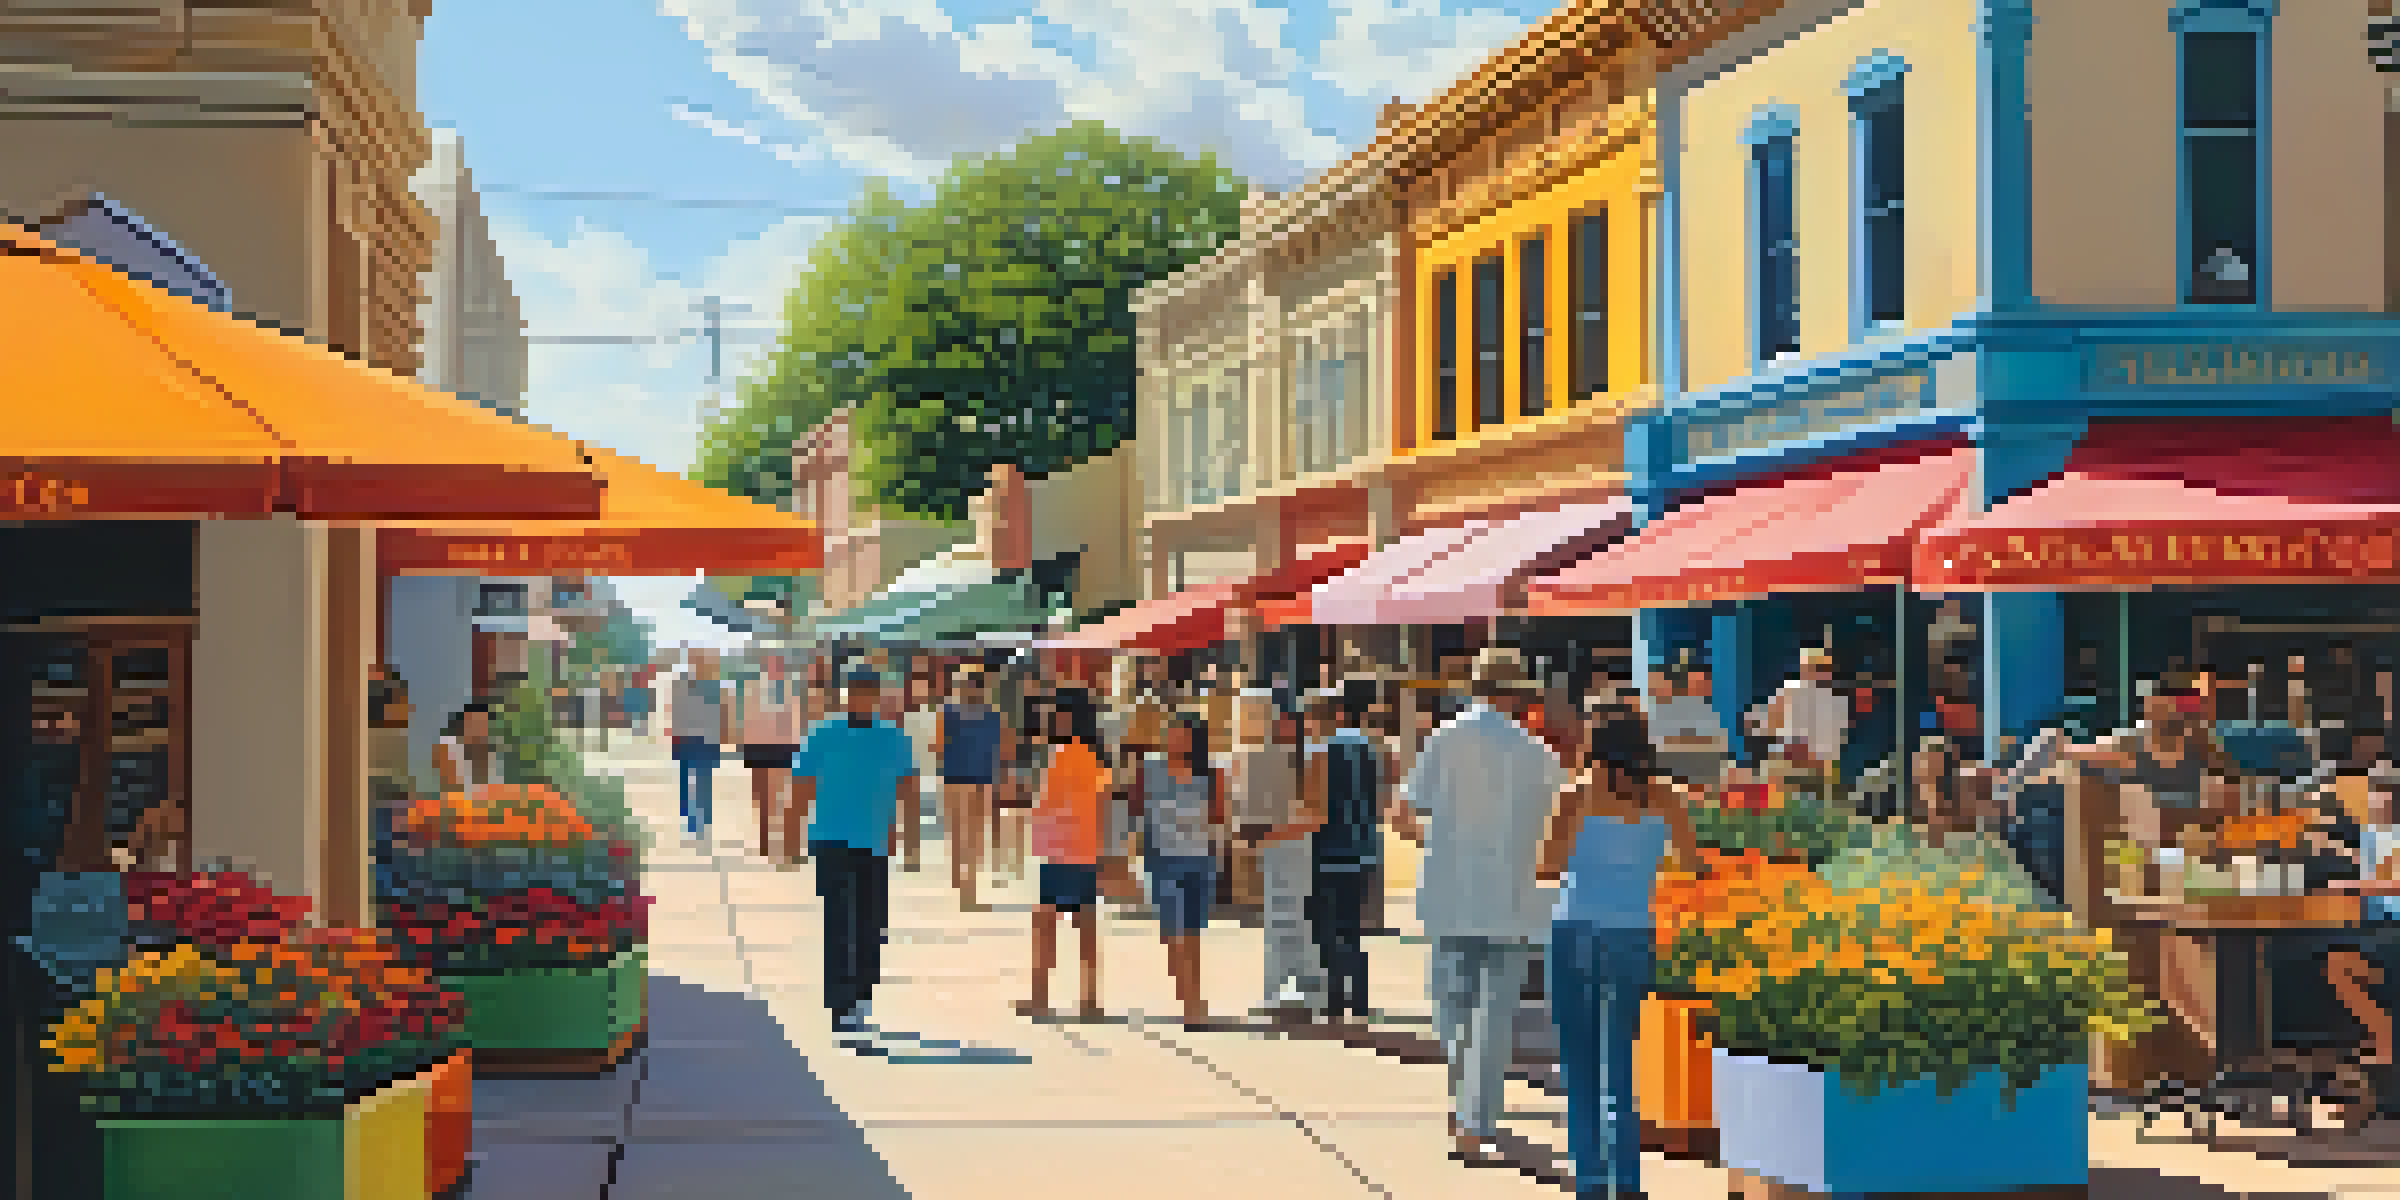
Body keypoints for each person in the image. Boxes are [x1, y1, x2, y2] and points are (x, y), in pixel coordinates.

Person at [1394, 646, 1568, 1164]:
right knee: (1496, 1012)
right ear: (1516, 692)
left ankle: (1462, 1098)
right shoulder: (1538, 752)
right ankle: (1477, 1116)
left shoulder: (1445, 739)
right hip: (1513, 896)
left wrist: (1441, 842)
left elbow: (1405, 814)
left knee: (1451, 1003)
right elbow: (1560, 824)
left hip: (1450, 890)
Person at [1538, 709, 1702, 1200]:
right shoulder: (1667, 795)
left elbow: (1547, 865)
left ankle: (1590, 1179)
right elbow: (1692, 862)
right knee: (1622, 1063)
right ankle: (1627, 1180)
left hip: (1576, 931)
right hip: (1633, 932)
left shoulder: (1578, 792)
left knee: (1579, 1063)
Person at [790, 666, 920, 1036]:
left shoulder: (895, 739)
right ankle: (840, 1004)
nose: (861, 697)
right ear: (845, 695)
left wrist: (910, 840)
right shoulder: (822, 735)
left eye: (868, 691)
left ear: (877, 696)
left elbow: (909, 789)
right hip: (830, 839)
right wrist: (789, 838)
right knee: (838, 922)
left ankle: (861, 995)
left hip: (874, 841)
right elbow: (802, 788)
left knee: (871, 922)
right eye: (855, 691)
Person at [1302, 689, 1396, 1026]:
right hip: (1363, 849)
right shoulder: (1371, 749)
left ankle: (1334, 1000)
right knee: (1352, 928)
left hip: (1328, 849)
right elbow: (1381, 799)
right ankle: (1359, 1000)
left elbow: (1314, 809)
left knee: (1326, 929)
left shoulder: (1321, 752)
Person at [1017, 688, 1111, 1022]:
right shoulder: (1091, 754)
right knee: (1079, 925)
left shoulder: (1064, 753)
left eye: (1058, 711)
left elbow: (1095, 805)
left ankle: (1046, 998)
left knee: (1048, 924)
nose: (1052, 717)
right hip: (1074, 848)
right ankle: (1086, 1000)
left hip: (1061, 850)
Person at [1130, 710, 1227, 1027]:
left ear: (1193, 739)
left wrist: (1221, 862)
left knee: (1192, 934)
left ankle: (1194, 1002)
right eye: (1170, 732)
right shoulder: (1150, 769)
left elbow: (1219, 820)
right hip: (1162, 862)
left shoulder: (1212, 775)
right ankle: (1186, 996)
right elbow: (1133, 811)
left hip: (1200, 861)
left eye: (1180, 733)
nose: (1173, 738)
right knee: (1173, 934)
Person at [1234, 691, 1323, 1019]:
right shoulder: (1258, 756)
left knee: (1287, 917)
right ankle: (1296, 987)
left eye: (1250, 714)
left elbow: (1313, 813)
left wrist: (1266, 835)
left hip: (1290, 846)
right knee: (1286, 917)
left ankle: (1288, 989)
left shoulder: (1299, 755)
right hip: (1281, 847)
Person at [936, 664, 1009, 910]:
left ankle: (962, 881)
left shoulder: (949, 712)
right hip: (979, 779)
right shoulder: (993, 715)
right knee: (973, 836)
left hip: (957, 778)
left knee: (959, 833)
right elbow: (1003, 749)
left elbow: (936, 746)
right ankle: (967, 887)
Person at [1748, 647, 1849, 811]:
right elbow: (1766, 725)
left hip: (1808, 767)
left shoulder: (1830, 700)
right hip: (1799, 763)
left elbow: (1766, 726)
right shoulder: (1793, 690)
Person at [740, 653, 806, 862]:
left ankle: (782, 843)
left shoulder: (790, 692)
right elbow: (748, 720)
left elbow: (796, 720)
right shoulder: (755, 691)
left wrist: (797, 746)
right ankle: (765, 841)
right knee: (763, 798)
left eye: (779, 664)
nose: (775, 669)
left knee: (782, 797)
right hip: (760, 747)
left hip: (783, 747)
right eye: (772, 664)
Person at [669, 651, 734, 843]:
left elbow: (723, 712)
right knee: (685, 779)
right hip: (686, 737)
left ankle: (702, 822)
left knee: (704, 780)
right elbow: (677, 710)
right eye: (695, 660)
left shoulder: (716, 687)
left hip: (707, 739)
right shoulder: (682, 684)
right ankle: (687, 817)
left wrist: (724, 735)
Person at [1648, 662, 1729, 791]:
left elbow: (1719, 743)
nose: (1704, 684)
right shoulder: (1668, 708)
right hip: (1676, 773)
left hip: (1703, 773)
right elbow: (1662, 744)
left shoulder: (1706, 708)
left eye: (1705, 680)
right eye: (1698, 680)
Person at [433, 699, 503, 792]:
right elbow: (447, 783)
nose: (481, 730)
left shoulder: (488, 750)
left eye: (484, 725)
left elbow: (494, 783)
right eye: (477, 723)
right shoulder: (448, 746)